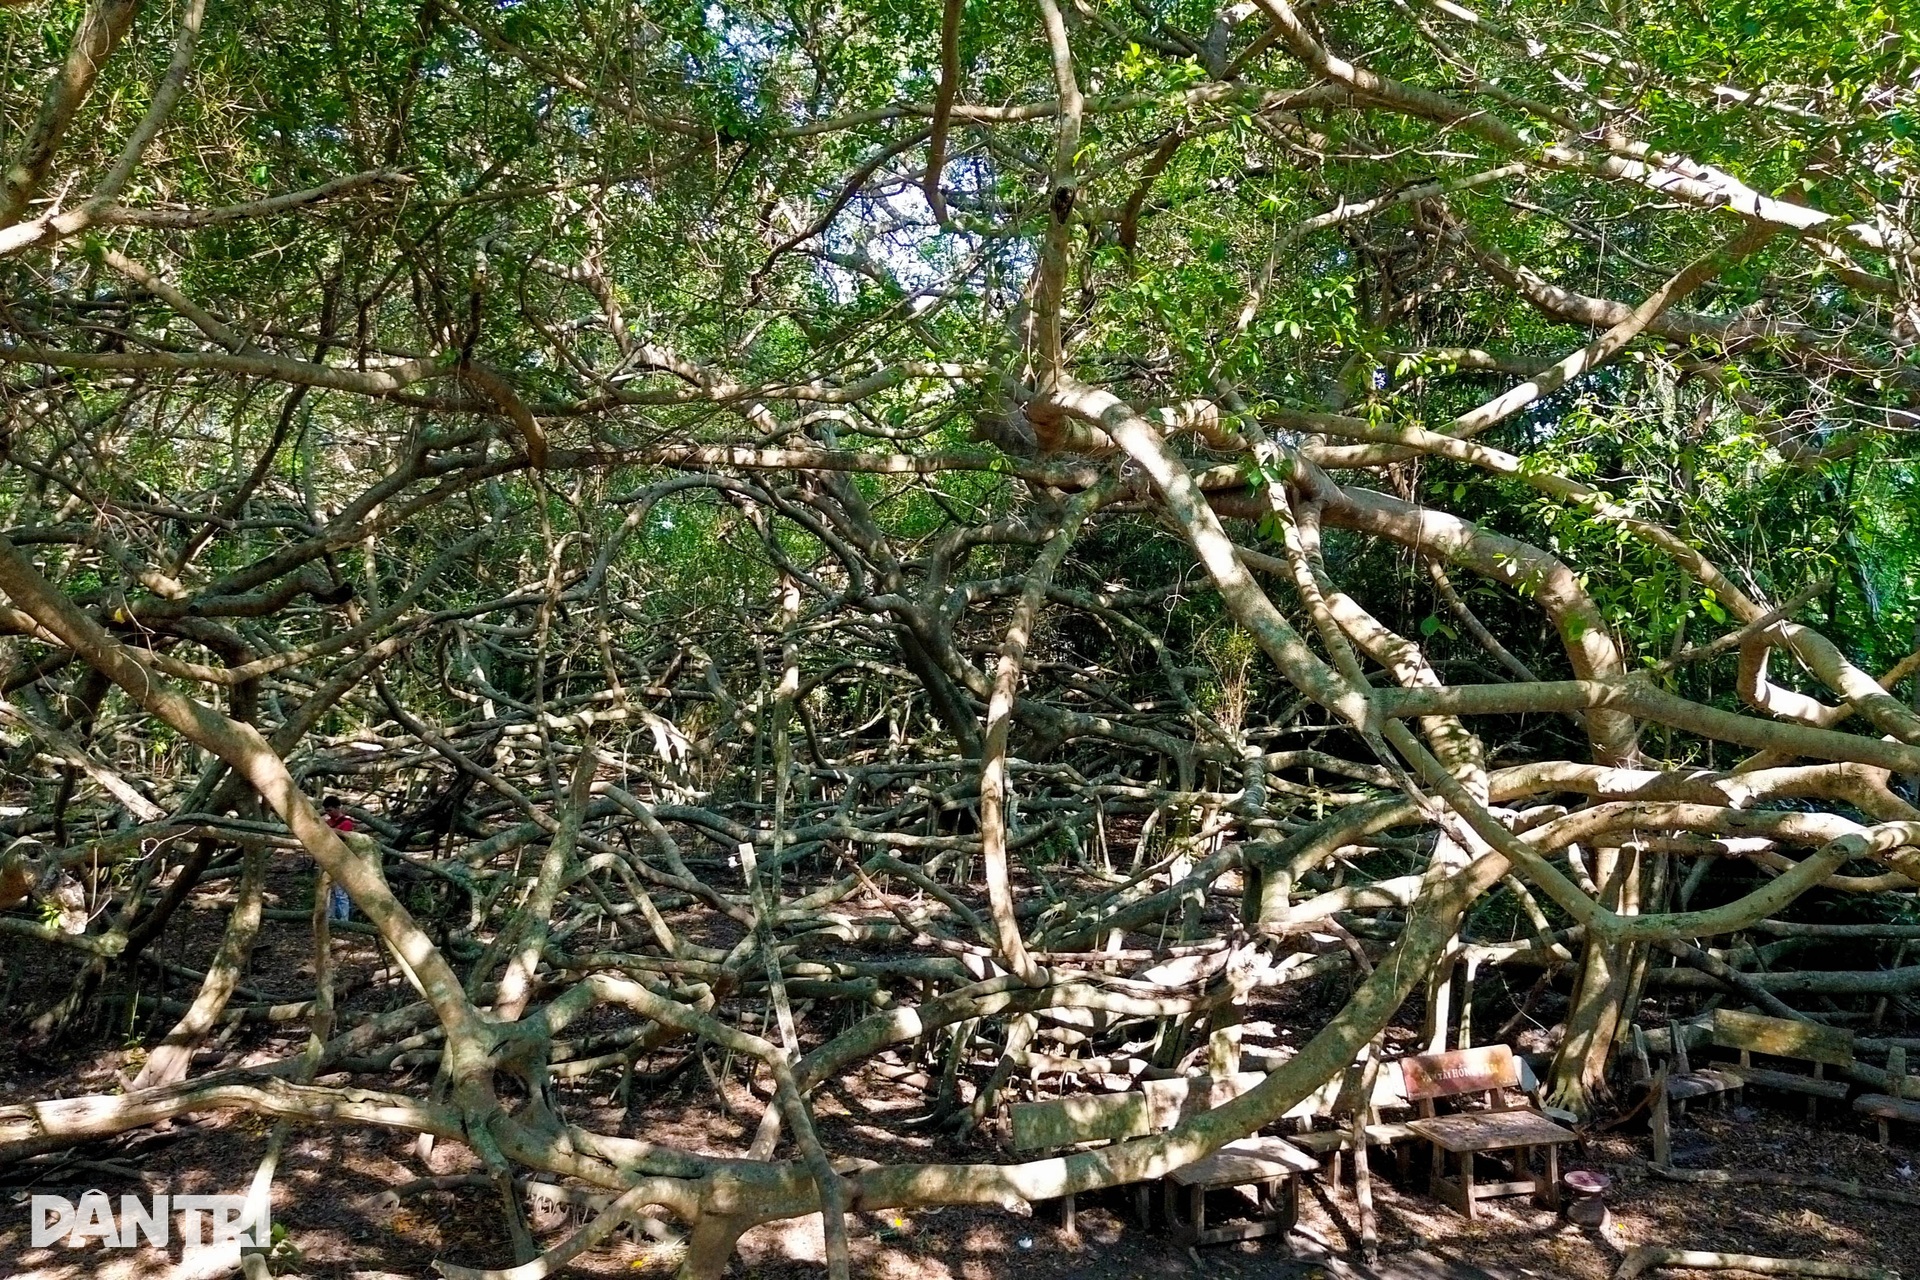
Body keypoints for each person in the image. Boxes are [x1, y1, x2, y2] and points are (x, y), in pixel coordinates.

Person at [321, 796, 354, 922]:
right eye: (327, 811)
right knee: (331, 891)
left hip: (342, 861)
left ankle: (344, 920)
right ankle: (331, 917)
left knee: (341, 893)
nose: (328, 813)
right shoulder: (328, 822)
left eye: (330, 810)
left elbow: (344, 842)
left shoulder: (346, 823)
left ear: (337, 808)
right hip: (328, 859)